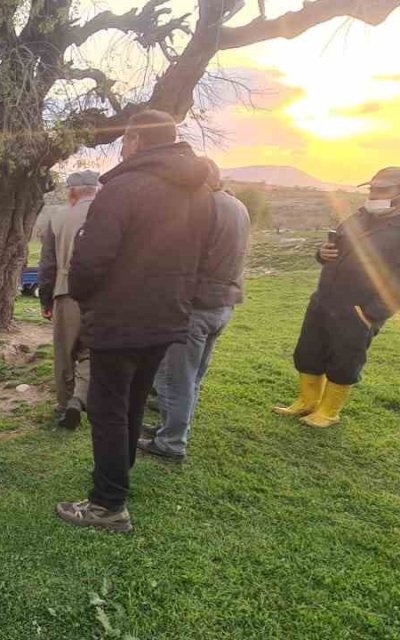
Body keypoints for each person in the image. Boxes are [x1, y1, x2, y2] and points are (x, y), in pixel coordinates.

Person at [56, 110, 213, 533]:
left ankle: (107, 504)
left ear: (136, 141)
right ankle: (117, 478)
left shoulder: (123, 188)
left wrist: (87, 300)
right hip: (168, 316)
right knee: (134, 400)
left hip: (120, 318)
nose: (122, 148)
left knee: (108, 410)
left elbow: (91, 261)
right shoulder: (199, 191)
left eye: (125, 140)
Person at [272, 166, 400, 428]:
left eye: (383, 189)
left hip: (359, 309)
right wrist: (321, 254)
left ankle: (329, 412)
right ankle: (307, 401)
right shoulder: (357, 217)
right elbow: (332, 251)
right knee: (308, 352)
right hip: (324, 300)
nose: (374, 194)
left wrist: (370, 314)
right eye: (372, 188)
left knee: (345, 359)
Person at [139, 158, 250, 462]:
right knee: (192, 377)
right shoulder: (237, 206)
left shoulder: (204, 208)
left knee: (175, 378)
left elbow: (181, 260)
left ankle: (171, 442)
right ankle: (170, 428)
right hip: (223, 304)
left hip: (194, 308)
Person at [38, 170, 99, 430]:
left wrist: (45, 300)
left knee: (65, 352)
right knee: (90, 351)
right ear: (95, 190)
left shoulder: (58, 217)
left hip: (65, 292)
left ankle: (64, 404)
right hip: (100, 295)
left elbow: (48, 264)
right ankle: (80, 398)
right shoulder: (107, 214)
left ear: (73, 192)